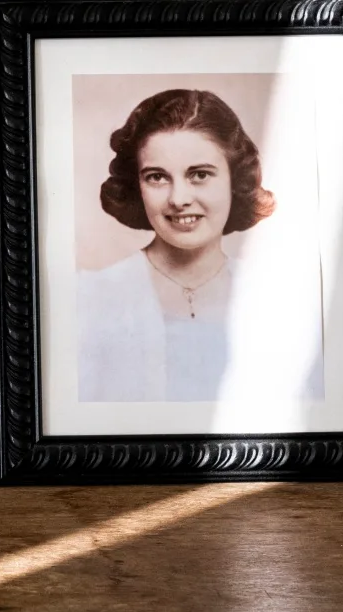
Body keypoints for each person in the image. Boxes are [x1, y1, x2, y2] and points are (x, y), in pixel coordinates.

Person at [76, 86, 319, 407]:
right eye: (157, 177)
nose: (179, 199)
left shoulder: (279, 301)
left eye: (200, 174)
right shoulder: (88, 300)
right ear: (137, 186)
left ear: (234, 182)